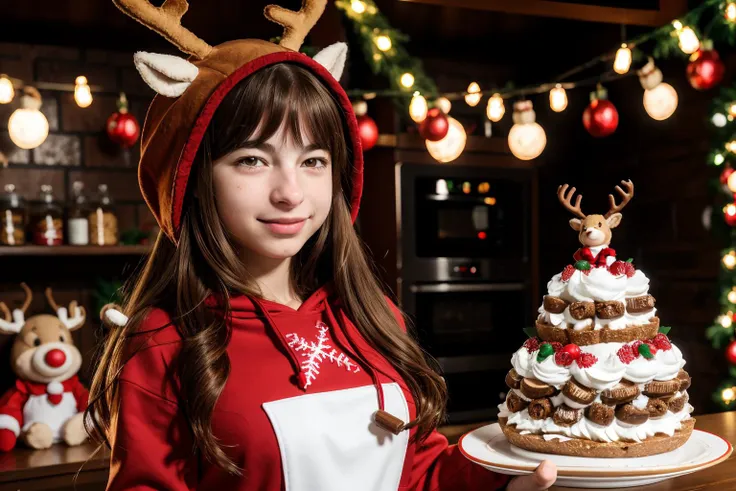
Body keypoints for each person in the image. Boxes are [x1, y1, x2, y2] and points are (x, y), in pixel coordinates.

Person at [86, 1, 558, 489]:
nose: (290, 193)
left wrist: (505, 480)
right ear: (193, 178)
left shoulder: (372, 318)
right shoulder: (163, 343)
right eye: (252, 159)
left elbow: (419, 474)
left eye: (313, 160)